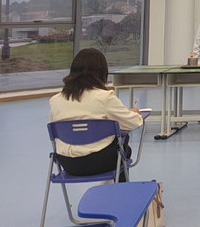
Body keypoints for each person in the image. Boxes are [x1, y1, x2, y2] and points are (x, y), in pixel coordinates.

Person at [49, 48, 143, 181]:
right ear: (102, 72)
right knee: (122, 144)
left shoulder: (55, 100)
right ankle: (120, 190)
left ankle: (109, 187)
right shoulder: (105, 98)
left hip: (67, 163)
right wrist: (135, 113)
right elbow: (132, 123)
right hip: (98, 162)